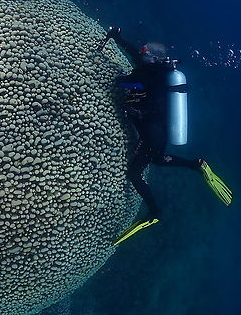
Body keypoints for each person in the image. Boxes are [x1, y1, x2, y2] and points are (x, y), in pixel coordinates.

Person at [98, 27, 233, 245]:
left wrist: (124, 83)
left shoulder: (145, 74)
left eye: (144, 51)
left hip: (152, 134)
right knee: (158, 159)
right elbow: (134, 54)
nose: (140, 52)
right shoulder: (162, 71)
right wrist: (118, 37)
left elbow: (123, 82)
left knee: (134, 173)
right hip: (160, 130)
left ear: (151, 57)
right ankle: (196, 165)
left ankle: (154, 212)